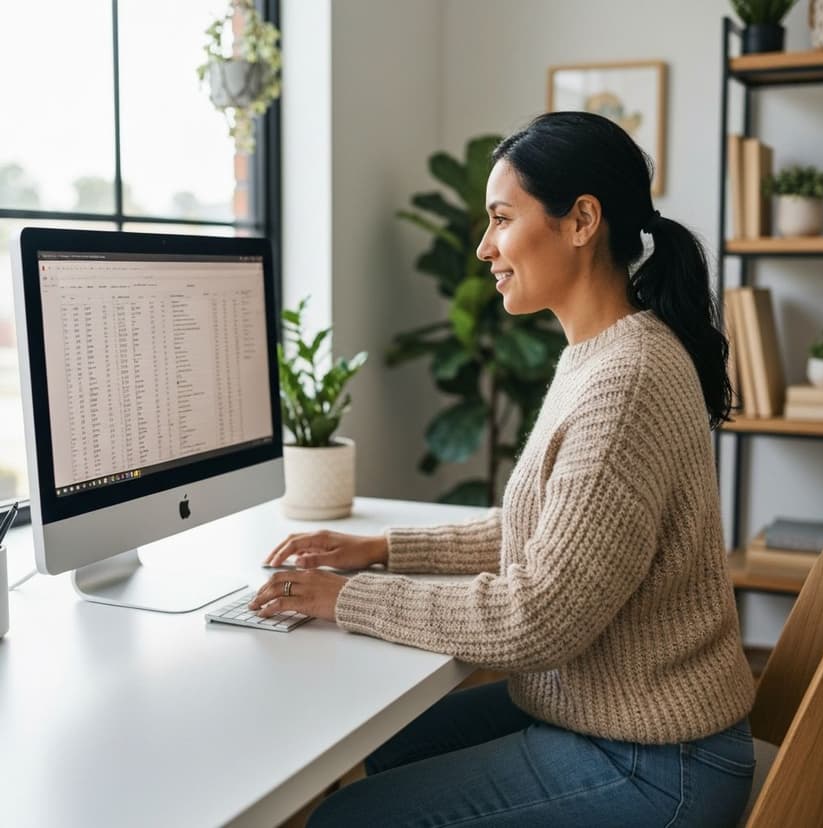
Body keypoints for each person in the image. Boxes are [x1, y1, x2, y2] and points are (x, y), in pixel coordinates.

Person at [250, 111, 757, 827]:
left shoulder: (627, 380)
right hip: (615, 719)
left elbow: (537, 619)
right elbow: (555, 534)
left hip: (658, 765)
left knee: (349, 818)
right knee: (392, 745)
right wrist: (385, 549)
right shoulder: (603, 353)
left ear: (582, 221)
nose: (485, 247)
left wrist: (345, 600)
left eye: (500, 218)